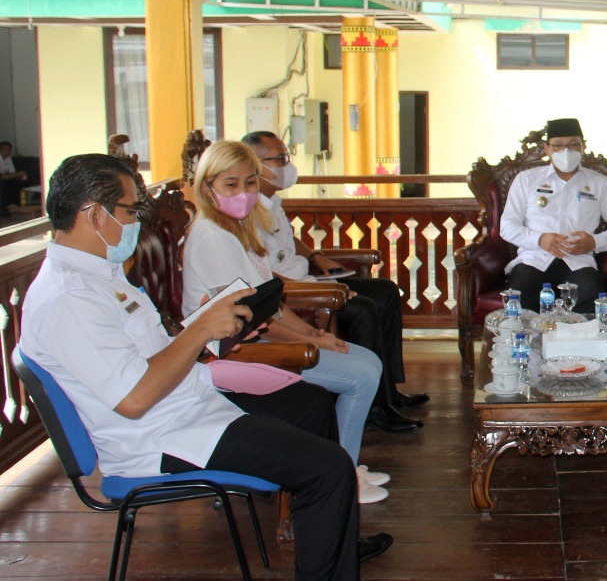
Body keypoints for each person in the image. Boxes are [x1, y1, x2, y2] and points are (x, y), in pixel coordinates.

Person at [16, 153, 393, 580]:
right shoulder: (69, 298)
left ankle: (328, 535)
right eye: (130, 211)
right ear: (94, 214)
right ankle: (327, 543)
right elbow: (134, 399)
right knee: (330, 467)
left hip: (183, 405)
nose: (136, 221)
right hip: (160, 438)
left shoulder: (100, 275)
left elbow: (149, 355)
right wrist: (200, 332)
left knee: (310, 404)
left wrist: (205, 327)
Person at [182, 139, 391, 504]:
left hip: (255, 337)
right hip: (229, 352)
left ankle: (345, 465)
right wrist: (311, 342)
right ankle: (342, 477)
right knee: (361, 377)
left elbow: (271, 302)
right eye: (231, 184)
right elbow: (247, 318)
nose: (244, 193)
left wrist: (314, 333)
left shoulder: (239, 228)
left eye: (250, 182)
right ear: (208, 187)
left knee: (369, 361)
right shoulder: (212, 238)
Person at [243, 130, 427, 433]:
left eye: (287, 157)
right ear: (256, 164)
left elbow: (288, 240)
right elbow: (263, 276)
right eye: (280, 159)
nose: (287, 164)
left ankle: (389, 390)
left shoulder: (271, 201)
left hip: (308, 278)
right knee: (363, 308)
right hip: (295, 292)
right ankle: (375, 409)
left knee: (386, 291)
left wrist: (317, 256)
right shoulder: (247, 211)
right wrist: (323, 289)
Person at [500, 118, 607, 314]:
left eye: (573, 144)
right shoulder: (526, 180)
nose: (566, 151)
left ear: (583, 147)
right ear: (547, 149)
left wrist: (595, 242)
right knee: (520, 297)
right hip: (534, 260)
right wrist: (540, 239)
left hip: (578, 263)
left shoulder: (600, 183)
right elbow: (507, 227)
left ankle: (581, 335)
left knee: (590, 296)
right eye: (558, 145)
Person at [0, 140, 28, 218]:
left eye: (8, 150)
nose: (6, 152)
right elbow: (2, 176)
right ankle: (5, 212)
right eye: (4, 150)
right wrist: (18, 174)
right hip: (1, 179)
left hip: (5, 180)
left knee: (15, 183)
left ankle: (15, 208)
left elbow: (12, 173)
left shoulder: (8, 159)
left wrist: (20, 176)